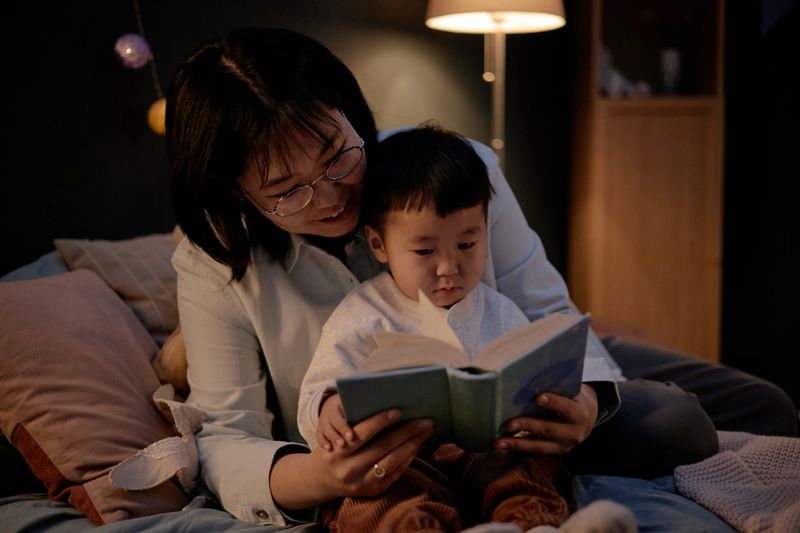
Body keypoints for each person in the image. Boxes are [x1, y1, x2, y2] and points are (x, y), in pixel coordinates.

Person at [166, 27, 797, 527]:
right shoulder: (214, 258)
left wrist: (584, 400)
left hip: (508, 372)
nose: (330, 196)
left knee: (764, 404)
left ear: (351, 114)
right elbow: (227, 437)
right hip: (401, 450)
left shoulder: (453, 169)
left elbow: (549, 311)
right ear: (237, 193)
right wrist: (321, 480)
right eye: (286, 191)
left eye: (337, 154)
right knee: (674, 422)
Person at [298, 124, 582, 531]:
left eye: (467, 245)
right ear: (379, 245)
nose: (449, 267)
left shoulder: (498, 310)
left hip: (488, 453)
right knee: (375, 499)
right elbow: (319, 386)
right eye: (425, 251)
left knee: (528, 470)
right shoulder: (361, 314)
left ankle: (529, 524)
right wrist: (327, 409)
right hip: (402, 459)